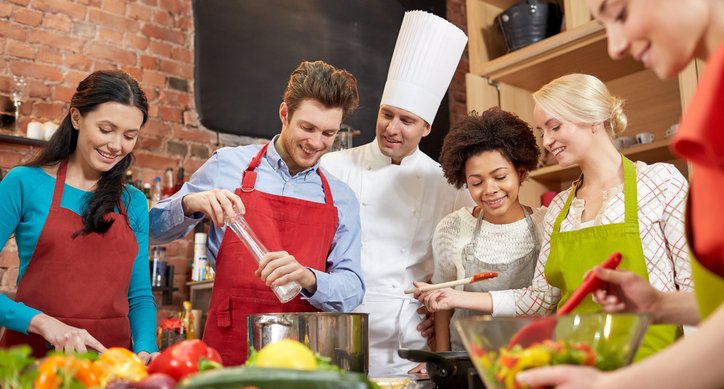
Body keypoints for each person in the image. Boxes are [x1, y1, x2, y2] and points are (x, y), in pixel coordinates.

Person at [516, 0, 724, 387]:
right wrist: (660, 306)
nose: (614, 46)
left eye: (621, 12)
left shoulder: (661, 180)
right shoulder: (561, 206)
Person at [419, 73, 691, 360]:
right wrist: (453, 297)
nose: (547, 141)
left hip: (656, 364)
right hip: (577, 365)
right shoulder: (560, 209)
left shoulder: (661, 183)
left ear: (593, 119)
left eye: (555, 127)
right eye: (541, 131)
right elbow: (541, 298)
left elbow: (693, 285)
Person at [149, 60, 364, 366]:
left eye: (328, 133)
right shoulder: (227, 165)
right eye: (307, 127)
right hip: (227, 348)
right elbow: (151, 230)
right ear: (284, 114)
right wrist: (188, 204)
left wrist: (308, 277)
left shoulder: (341, 198)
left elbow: (353, 288)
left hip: (301, 358)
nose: (316, 143)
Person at [320, 10, 470, 376]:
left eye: (407, 121)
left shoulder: (448, 183)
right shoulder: (333, 167)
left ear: (426, 127)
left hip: (409, 338)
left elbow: (463, 269)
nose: (391, 128)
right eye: (387, 114)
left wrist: (443, 327)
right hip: (338, 329)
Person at [0, 70, 158, 362]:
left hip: (109, 367)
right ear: (76, 118)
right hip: (33, 363)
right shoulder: (24, 183)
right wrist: (43, 323)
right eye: (106, 129)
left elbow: (139, 296)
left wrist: (147, 347)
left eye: (129, 136)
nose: (116, 146)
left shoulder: (133, 202)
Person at [417, 107, 545, 352]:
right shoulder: (452, 229)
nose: (489, 190)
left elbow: (548, 299)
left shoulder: (545, 224)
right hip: (468, 361)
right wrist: (445, 363)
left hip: (532, 361)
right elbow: (443, 306)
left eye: (500, 176)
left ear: (520, 173)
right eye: (476, 182)